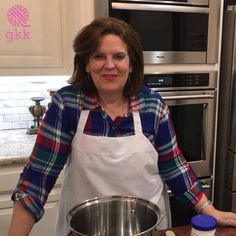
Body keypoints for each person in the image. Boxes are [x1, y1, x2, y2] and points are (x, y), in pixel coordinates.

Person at [8, 17, 236, 236]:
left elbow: (174, 166)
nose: (109, 65)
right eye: (98, 56)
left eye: (118, 56)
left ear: (132, 63)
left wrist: (209, 210)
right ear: (86, 63)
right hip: (83, 230)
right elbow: (37, 178)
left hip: (147, 230)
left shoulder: (152, 105)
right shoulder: (68, 105)